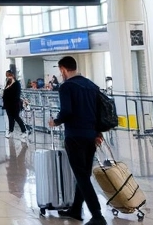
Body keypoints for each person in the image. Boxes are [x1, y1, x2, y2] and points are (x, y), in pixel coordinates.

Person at [48, 56, 106, 225]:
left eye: (61, 71)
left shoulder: (67, 87)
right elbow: (98, 112)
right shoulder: (91, 86)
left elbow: (67, 111)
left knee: (81, 176)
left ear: (63, 69)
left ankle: (97, 215)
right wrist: (98, 132)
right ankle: (75, 209)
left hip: (75, 136)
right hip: (91, 135)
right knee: (84, 173)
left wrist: (55, 121)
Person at [2, 70, 29, 139]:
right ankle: (10, 131)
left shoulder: (17, 84)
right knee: (10, 118)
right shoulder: (8, 83)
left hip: (15, 104)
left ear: (12, 75)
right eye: (7, 76)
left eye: (8, 75)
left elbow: (17, 94)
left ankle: (24, 131)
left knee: (16, 117)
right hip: (8, 104)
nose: (8, 77)